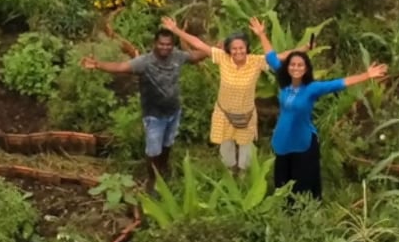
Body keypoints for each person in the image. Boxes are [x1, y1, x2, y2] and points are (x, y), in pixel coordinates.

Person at [80, 27, 207, 180]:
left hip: (173, 111)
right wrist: (98, 65)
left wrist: (211, 51)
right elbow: (121, 67)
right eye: (161, 44)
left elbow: (193, 57)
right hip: (154, 115)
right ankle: (152, 181)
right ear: (155, 43)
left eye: (168, 44)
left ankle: (163, 169)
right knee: (153, 150)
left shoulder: (177, 57)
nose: (165, 47)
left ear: (173, 45)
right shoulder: (144, 62)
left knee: (167, 143)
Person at [264, 49, 389, 200]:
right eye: (293, 65)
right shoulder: (284, 81)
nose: (296, 68)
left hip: (302, 142)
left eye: (300, 65)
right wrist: (261, 33)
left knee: (302, 182)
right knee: (282, 180)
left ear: (306, 69)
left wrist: (366, 75)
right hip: (283, 140)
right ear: (287, 67)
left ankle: (303, 213)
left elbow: (338, 84)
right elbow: (271, 57)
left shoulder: (311, 88)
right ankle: (284, 209)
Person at [159, 16, 274, 179]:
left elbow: (276, 58)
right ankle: (229, 173)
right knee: (226, 144)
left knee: (245, 146)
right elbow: (198, 44)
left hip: (246, 115)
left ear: (247, 47)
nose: (238, 51)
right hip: (224, 113)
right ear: (229, 50)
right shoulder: (223, 58)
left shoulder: (256, 62)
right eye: (234, 48)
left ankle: (243, 176)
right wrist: (176, 30)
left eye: (241, 48)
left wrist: (262, 35)